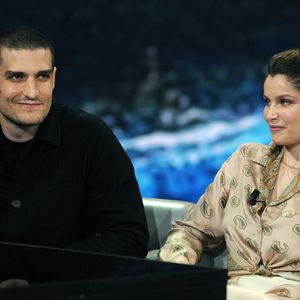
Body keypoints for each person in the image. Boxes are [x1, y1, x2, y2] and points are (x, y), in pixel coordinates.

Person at [0, 27, 149, 279]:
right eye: (16, 77)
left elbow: (128, 237)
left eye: (42, 77)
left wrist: (39, 274)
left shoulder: (90, 136)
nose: (32, 92)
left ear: (54, 79)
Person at [159, 49, 300, 299]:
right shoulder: (246, 161)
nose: (270, 115)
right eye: (267, 102)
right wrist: (177, 271)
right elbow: (193, 230)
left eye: (285, 102)